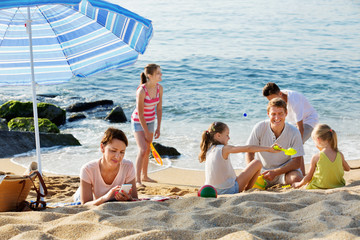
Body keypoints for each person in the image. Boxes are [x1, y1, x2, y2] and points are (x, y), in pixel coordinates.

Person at [199, 121, 279, 195]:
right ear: (218, 135)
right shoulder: (224, 148)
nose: (229, 138)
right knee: (257, 163)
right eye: (227, 135)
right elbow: (248, 148)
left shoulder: (209, 149)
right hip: (228, 190)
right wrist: (268, 149)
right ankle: (247, 191)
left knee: (235, 177)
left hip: (210, 190)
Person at [245, 98, 305, 187]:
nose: (277, 118)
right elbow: (249, 152)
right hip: (262, 172)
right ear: (268, 114)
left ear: (286, 113)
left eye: (280, 113)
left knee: (297, 178)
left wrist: (275, 172)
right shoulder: (259, 127)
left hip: (284, 172)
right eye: (273, 114)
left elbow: (297, 162)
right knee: (245, 183)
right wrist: (253, 172)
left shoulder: (294, 132)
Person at [262, 82, 319, 175]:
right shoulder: (279, 98)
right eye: (269, 100)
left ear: (280, 93)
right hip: (294, 123)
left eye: (273, 98)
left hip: (308, 121)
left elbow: (300, 128)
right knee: (285, 145)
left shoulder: (294, 101)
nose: (272, 102)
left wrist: (297, 143)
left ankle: (302, 175)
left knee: (296, 146)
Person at [78, 127, 138, 206]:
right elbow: (85, 204)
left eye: (122, 152)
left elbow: (135, 199)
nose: (117, 156)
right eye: (113, 151)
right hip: (83, 196)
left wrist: (128, 198)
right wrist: (106, 197)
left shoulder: (128, 166)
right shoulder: (88, 169)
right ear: (102, 148)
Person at [131, 64, 163, 187]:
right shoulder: (141, 91)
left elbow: (159, 109)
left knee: (148, 148)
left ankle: (145, 176)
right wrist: (146, 131)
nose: (161, 75)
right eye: (158, 73)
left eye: (160, 72)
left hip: (151, 121)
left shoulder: (160, 88)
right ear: (150, 76)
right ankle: (137, 180)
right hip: (138, 121)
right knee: (143, 149)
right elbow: (140, 113)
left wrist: (158, 127)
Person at [292, 124, 350, 189]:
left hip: (320, 186)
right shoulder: (340, 154)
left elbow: (309, 177)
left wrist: (298, 184)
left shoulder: (316, 157)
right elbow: (347, 169)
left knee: (308, 184)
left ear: (318, 140)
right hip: (339, 185)